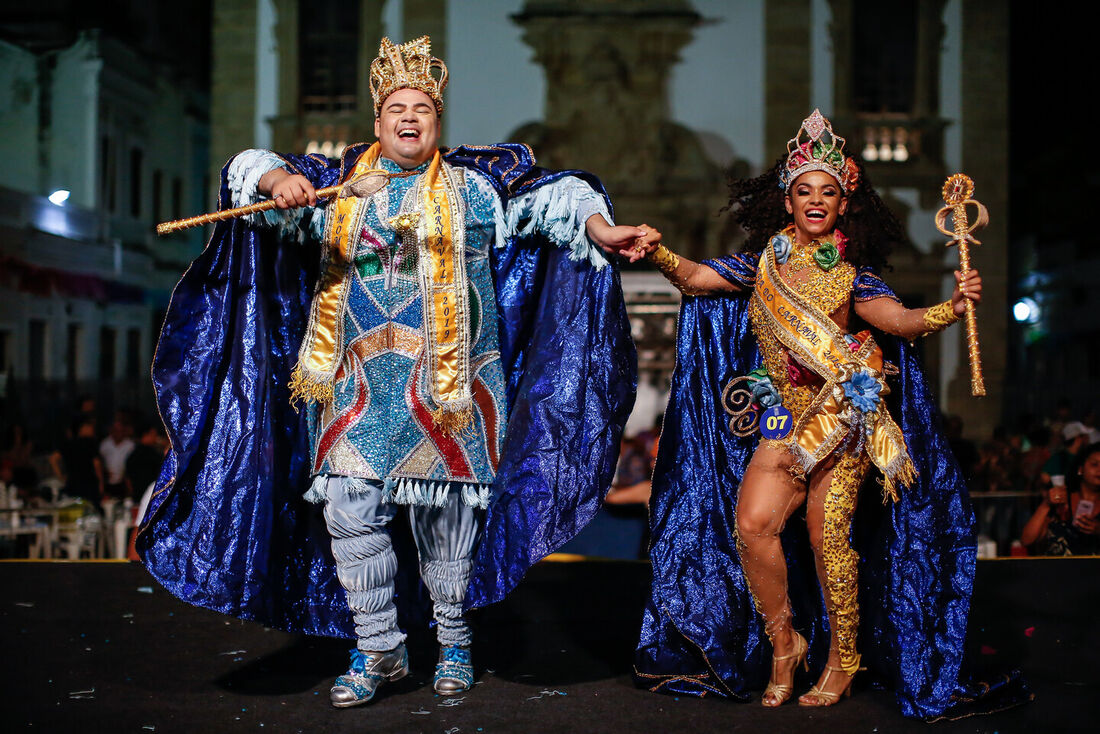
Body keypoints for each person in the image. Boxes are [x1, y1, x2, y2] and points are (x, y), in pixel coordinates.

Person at [139, 36, 644, 708]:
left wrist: (600, 227)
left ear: (436, 122)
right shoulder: (335, 190)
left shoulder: (476, 190)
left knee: (447, 529)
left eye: (424, 108)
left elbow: (559, 195)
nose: (410, 117)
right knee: (349, 514)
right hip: (354, 389)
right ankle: (379, 648)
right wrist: (276, 184)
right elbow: (250, 164)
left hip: (451, 392)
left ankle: (455, 641)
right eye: (397, 107)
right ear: (378, 122)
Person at [633, 111, 992, 718]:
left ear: (842, 201)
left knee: (828, 537)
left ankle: (843, 655)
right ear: (788, 200)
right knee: (754, 526)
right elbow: (695, 278)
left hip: (840, 421)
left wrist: (950, 309)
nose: (816, 200)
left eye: (828, 191)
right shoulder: (761, 266)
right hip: (780, 420)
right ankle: (785, 645)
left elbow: (900, 323)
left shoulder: (855, 277)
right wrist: (657, 249)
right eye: (805, 191)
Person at [1021, 442, 1100, 555]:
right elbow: (1026, 540)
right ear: (1080, 469)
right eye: (1094, 464)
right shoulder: (1060, 500)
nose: (1099, 470)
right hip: (1057, 570)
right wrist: (1046, 504)